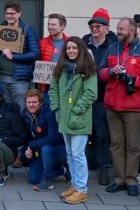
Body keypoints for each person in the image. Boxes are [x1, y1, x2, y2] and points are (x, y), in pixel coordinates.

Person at [98, 17, 140, 197]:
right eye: (117, 28)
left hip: (133, 106)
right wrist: (110, 71)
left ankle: (131, 180)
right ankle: (119, 179)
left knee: (132, 146)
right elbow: (101, 72)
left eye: (121, 28)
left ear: (132, 30)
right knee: (116, 144)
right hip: (112, 105)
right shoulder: (111, 47)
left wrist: (132, 79)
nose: (118, 31)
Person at [49, 36, 98, 205]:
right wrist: (56, 108)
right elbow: (53, 88)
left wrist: (75, 110)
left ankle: (82, 190)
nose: (71, 51)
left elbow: (91, 93)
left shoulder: (88, 69)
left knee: (78, 154)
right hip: (63, 117)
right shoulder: (62, 68)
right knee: (69, 153)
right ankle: (75, 185)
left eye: (74, 48)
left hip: (79, 118)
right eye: (68, 48)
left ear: (81, 50)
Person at [83, 7, 114, 185]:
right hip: (86, 96)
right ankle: (83, 170)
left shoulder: (113, 45)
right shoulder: (83, 43)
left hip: (103, 96)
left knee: (103, 135)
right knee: (85, 134)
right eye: (92, 26)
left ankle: (104, 169)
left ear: (106, 28)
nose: (94, 29)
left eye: (98, 26)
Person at [0, 1, 40, 111]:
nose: (9, 16)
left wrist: (14, 57)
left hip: (19, 80)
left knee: (20, 111)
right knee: (3, 112)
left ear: (19, 14)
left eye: (12, 13)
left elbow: (35, 54)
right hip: (1, 78)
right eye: (7, 13)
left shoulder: (27, 30)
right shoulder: (0, 28)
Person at [20, 88, 67, 191]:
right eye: (29, 102)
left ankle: (48, 180)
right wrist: (26, 153)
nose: (31, 105)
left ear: (41, 103)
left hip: (58, 149)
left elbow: (53, 138)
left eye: (34, 102)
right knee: (33, 179)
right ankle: (62, 170)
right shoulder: (24, 115)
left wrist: (32, 145)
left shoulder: (49, 113)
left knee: (46, 148)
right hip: (38, 151)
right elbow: (25, 138)